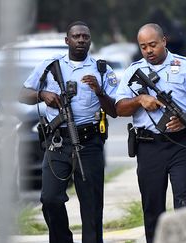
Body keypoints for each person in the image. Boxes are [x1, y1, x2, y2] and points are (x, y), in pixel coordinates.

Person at [115, 23, 186, 243]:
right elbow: (119, 108)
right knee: (152, 208)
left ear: (164, 41)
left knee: (185, 203)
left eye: (152, 44)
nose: (148, 50)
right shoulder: (132, 71)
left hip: (182, 145)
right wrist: (140, 100)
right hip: (149, 147)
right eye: (143, 47)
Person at [18, 21, 118, 243]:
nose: (81, 40)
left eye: (85, 37)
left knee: (92, 204)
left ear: (90, 41)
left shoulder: (102, 69)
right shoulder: (49, 65)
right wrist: (42, 95)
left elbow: (115, 110)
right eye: (76, 36)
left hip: (89, 142)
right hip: (58, 142)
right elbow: (22, 93)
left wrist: (99, 92)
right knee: (50, 198)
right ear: (67, 40)